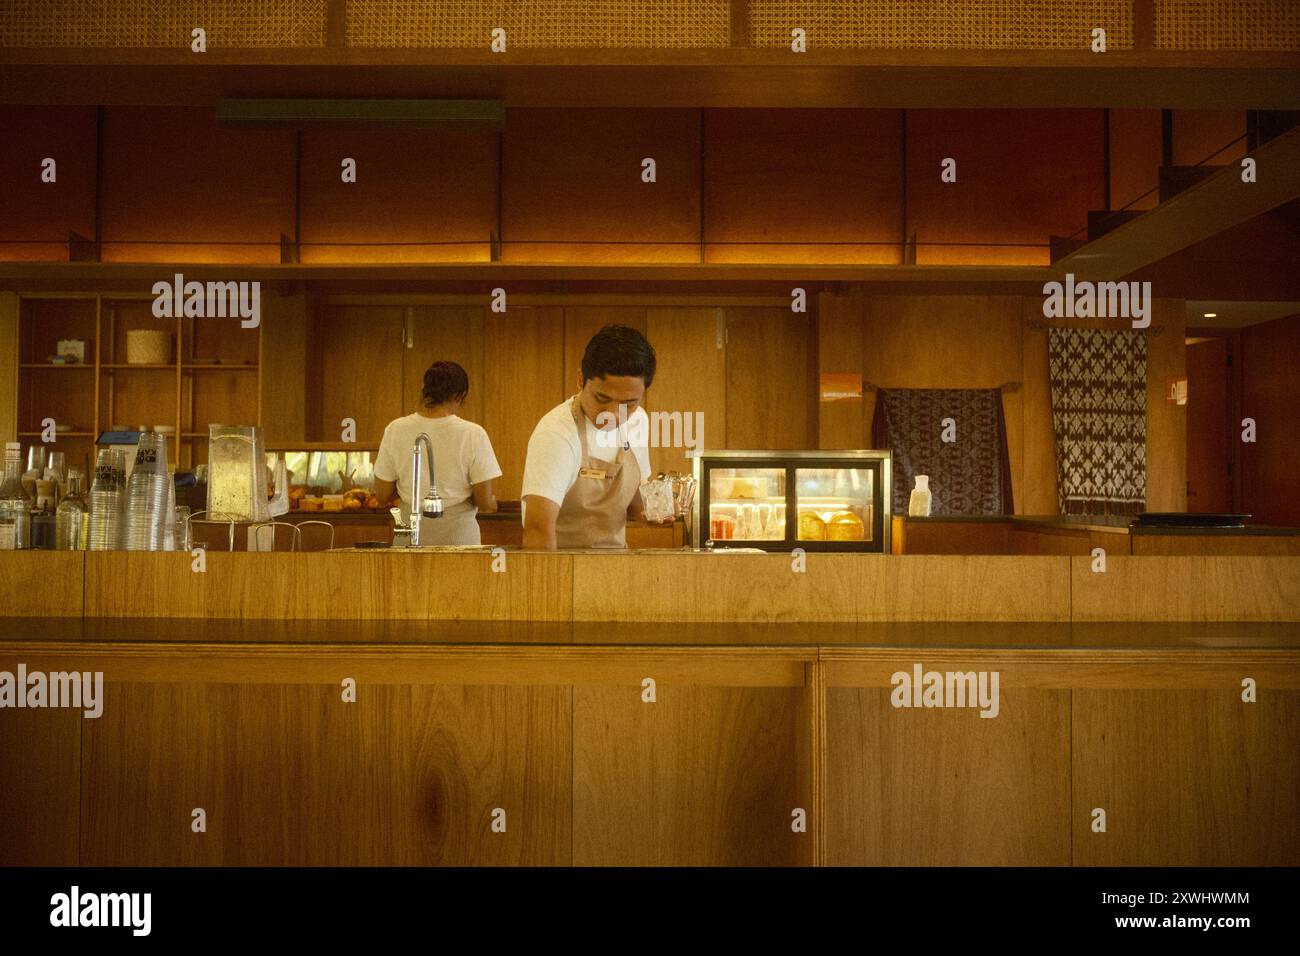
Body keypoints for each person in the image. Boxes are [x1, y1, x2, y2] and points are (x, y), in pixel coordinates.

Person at [521, 324, 658, 550]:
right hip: (566, 570)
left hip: (615, 566)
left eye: (629, 403)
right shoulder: (556, 434)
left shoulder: (638, 421)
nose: (613, 414)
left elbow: (635, 504)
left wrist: (659, 510)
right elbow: (537, 529)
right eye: (602, 399)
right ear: (580, 380)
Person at [373, 360, 500, 546]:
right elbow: (485, 502)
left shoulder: (396, 429)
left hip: (409, 537)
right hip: (459, 540)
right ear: (461, 395)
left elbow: (382, 496)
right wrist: (492, 503)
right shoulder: (473, 434)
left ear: (424, 388)